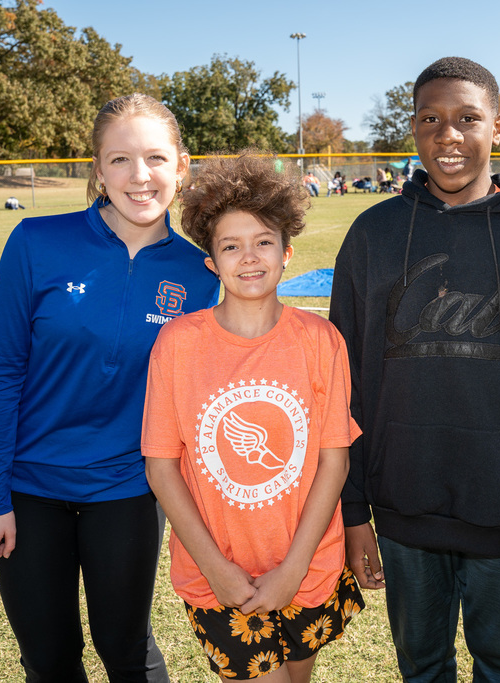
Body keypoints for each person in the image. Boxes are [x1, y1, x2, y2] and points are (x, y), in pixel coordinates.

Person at [329, 56, 500, 682]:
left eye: (467, 119)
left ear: (498, 126)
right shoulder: (373, 234)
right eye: (431, 119)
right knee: (420, 668)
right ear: (413, 128)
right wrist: (355, 510)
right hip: (403, 512)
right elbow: (344, 388)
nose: (448, 136)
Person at [0, 93, 221, 682]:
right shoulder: (35, 242)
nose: (140, 177)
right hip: (30, 491)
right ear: (97, 169)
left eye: (156, 158)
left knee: (126, 650)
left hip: (128, 491)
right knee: (50, 658)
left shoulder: (201, 272)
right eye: (119, 160)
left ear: (181, 167)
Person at [142, 151, 363, 682]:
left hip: (306, 567)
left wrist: (292, 569)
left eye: (263, 241)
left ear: (287, 253)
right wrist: (216, 568)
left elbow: (334, 463)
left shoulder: (321, 341)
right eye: (231, 246)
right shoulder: (177, 344)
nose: (249, 257)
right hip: (219, 575)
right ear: (211, 262)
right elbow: (162, 467)